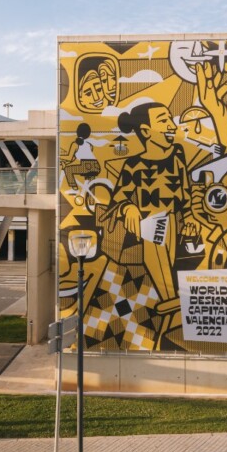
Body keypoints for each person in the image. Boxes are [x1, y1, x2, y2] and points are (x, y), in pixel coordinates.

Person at [105, 102, 195, 305]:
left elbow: (187, 196)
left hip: (172, 223)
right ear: (146, 131)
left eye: (171, 119)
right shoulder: (133, 165)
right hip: (145, 224)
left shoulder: (177, 160)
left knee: (166, 253)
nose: (172, 126)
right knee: (153, 238)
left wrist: (189, 218)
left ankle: (169, 299)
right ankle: (169, 300)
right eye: (164, 121)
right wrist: (128, 208)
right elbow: (118, 198)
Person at [61, 123, 100, 191]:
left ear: (77, 132)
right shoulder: (90, 145)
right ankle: (88, 194)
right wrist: (66, 163)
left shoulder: (75, 144)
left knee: (68, 170)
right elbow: (74, 158)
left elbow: (69, 157)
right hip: (96, 166)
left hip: (85, 166)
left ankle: (75, 188)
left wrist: (58, 156)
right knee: (69, 168)